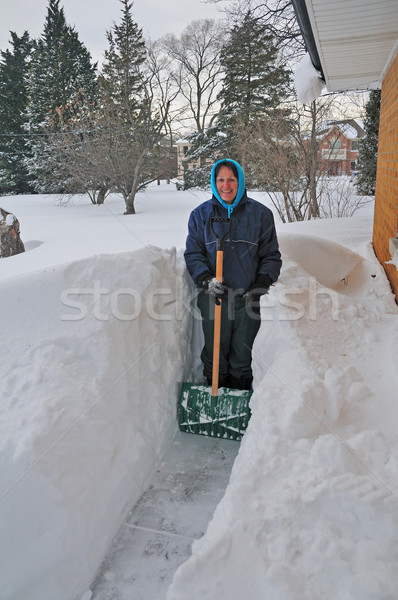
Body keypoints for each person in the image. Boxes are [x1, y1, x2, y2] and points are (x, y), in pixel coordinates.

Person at [184, 158, 282, 391]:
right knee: (215, 349)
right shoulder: (200, 215)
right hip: (213, 297)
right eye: (220, 180)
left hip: (248, 295)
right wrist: (205, 280)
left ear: (240, 181)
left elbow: (271, 256)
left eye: (231, 179)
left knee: (242, 351)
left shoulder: (261, 215)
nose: (225, 185)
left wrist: (260, 284)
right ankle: (215, 391)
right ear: (213, 182)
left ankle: (239, 395)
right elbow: (193, 253)